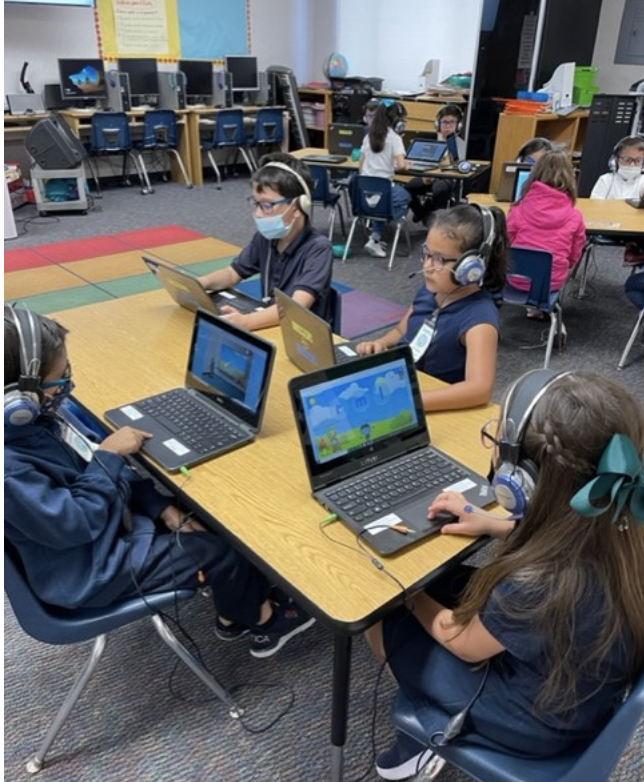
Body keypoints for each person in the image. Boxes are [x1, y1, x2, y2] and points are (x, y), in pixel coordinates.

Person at [367, 369, 644, 780]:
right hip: (580, 689)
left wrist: (407, 593)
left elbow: (461, 642)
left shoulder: (541, 583)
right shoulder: (622, 522)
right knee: (452, 582)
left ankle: (427, 734)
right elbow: (567, 528)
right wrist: (491, 524)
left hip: (532, 721)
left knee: (378, 617)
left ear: (521, 481)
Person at [4, 306, 315, 659]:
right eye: (59, 380)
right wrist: (109, 455)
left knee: (203, 517)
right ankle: (264, 620)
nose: (68, 386)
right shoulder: (9, 470)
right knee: (223, 550)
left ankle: (235, 609)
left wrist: (160, 507)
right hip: (90, 572)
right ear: (18, 397)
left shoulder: (32, 424)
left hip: (102, 531)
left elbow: (87, 465)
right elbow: (76, 523)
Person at [356, 204, 508, 411]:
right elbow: (401, 330)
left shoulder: (479, 320)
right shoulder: (430, 292)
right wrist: (380, 343)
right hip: (408, 385)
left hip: (438, 406)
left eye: (439, 259)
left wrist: (412, 401)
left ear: (470, 266)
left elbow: (479, 389)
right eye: (426, 254)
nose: (427, 266)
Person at [199, 153, 334, 329]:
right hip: (273, 324)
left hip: (302, 333)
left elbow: (296, 308)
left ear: (297, 207)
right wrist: (200, 283)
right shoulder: (266, 238)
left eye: (267, 205)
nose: (258, 213)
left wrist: (246, 321)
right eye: (255, 203)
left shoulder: (319, 249)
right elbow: (232, 274)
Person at [506, 150, 586, 311]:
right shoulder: (575, 216)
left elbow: (507, 242)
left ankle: (532, 307)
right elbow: (575, 253)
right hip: (550, 283)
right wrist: (566, 264)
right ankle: (538, 307)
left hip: (516, 279)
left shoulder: (518, 210)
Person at [357, 100, 413, 258]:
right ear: (397, 122)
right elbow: (401, 165)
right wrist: (406, 164)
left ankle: (375, 237)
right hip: (384, 188)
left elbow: (361, 163)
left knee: (382, 203)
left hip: (365, 189)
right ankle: (380, 230)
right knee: (405, 197)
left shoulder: (368, 136)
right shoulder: (395, 138)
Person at [405, 103, 467, 225]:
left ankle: (435, 218)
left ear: (458, 125)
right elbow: (424, 161)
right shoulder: (432, 141)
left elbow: (458, 166)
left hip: (448, 179)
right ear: (438, 124)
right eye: (444, 122)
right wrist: (426, 175)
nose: (448, 126)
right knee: (408, 187)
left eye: (452, 123)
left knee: (438, 189)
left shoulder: (460, 144)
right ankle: (421, 213)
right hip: (429, 176)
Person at [590, 136, 644, 265]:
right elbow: (593, 207)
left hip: (636, 229)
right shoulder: (606, 180)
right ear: (615, 161)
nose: (632, 164)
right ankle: (633, 249)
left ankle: (635, 250)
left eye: (638, 161)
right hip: (609, 227)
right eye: (627, 160)